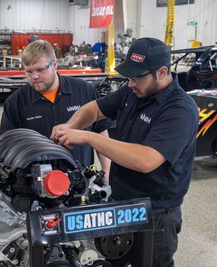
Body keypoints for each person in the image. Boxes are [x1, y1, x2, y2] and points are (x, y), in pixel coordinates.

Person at [51, 37, 199, 267]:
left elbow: (146, 159)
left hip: (155, 212)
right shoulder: (133, 91)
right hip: (122, 202)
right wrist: (71, 126)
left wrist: (88, 136)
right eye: (128, 76)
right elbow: (95, 109)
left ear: (162, 72)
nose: (130, 83)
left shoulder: (180, 109)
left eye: (138, 76)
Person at [0, 39, 112, 177]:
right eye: (28, 71)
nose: (34, 76)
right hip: (35, 185)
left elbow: (101, 131)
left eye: (40, 70)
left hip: (81, 182)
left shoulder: (83, 91)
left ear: (55, 64)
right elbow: (6, 146)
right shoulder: (16, 102)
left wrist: (106, 175)